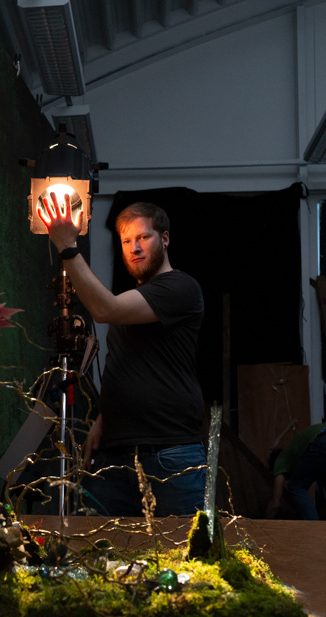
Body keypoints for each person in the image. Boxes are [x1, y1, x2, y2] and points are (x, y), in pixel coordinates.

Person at [43, 196, 206, 517]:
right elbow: (135, 365)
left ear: (165, 238)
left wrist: (67, 247)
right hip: (115, 457)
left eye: (144, 237)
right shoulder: (133, 302)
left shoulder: (180, 287)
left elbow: (105, 309)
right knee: (106, 547)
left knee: (180, 548)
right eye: (127, 241)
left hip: (169, 454)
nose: (135, 248)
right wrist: (105, 418)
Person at [266, 422, 326, 522]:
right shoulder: (294, 452)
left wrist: (263, 523)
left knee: (296, 486)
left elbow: (276, 504)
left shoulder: (280, 462)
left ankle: (314, 527)